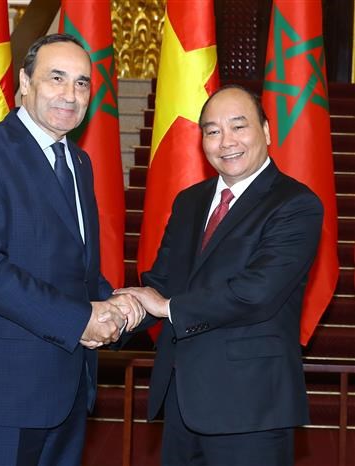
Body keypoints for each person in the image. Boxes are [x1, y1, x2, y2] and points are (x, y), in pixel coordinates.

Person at [0, 33, 144, 466]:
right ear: (24, 83)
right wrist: (81, 318)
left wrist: (121, 305)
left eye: (82, 83)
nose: (71, 94)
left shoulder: (79, 163)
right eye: (57, 78)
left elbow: (76, 272)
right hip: (3, 391)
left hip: (67, 386)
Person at [116, 85, 323, 466]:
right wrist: (114, 316)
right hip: (181, 402)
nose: (226, 141)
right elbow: (162, 282)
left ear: (267, 131)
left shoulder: (296, 204)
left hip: (250, 407)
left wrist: (167, 307)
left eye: (239, 127)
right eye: (212, 131)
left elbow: (257, 292)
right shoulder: (189, 201)